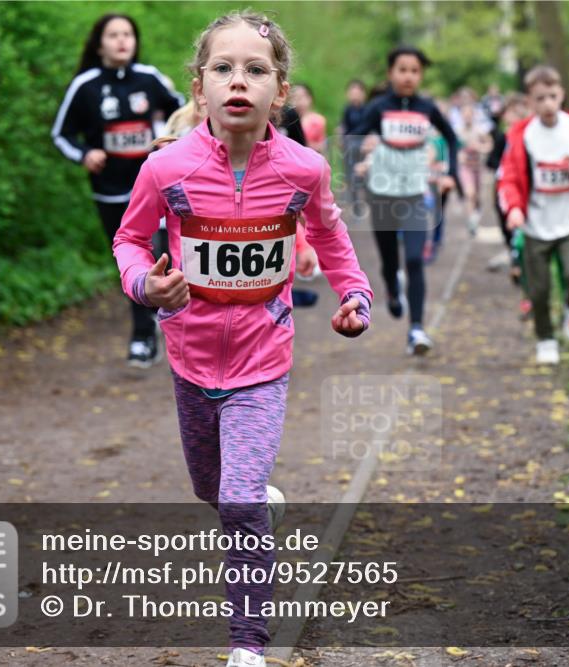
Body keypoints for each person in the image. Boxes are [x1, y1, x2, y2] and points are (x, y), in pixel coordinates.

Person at [111, 11, 372, 666]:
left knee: (237, 497)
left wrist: (355, 293)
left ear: (279, 92)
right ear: (199, 87)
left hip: (263, 359)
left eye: (256, 70)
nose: (239, 80)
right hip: (191, 357)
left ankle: (248, 643)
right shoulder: (165, 168)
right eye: (223, 68)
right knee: (213, 489)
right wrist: (146, 285)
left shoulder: (304, 169)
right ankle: (253, 501)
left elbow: (334, 234)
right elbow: (128, 240)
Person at [51, 13, 183, 368]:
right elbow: (60, 133)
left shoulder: (151, 79)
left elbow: (186, 115)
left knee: (158, 251)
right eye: (114, 35)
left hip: (157, 187)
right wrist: (84, 154)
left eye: (128, 34)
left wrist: (169, 140)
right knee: (132, 259)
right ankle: (146, 326)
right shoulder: (86, 85)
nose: (122, 41)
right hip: (110, 190)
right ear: (100, 44)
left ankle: (146, 333)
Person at [348, 46, 459, 355]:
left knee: (414, 259)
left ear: (420, 75)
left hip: (413, 194)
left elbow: (451, 137)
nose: (408, 76)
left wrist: (450, 172)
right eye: (402, 69)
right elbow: (353, 139)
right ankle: (393, 292)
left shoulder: (426, 107)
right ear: (390, 73)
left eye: (414, 70)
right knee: (389, 261)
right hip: (382, 194)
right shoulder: (379, 107)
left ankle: (417, 329)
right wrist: (360, 155)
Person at [497, 65, 569, 364]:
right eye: (540, 98)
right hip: (535, 223)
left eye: (552, 96)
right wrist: (515, 208)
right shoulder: (522, 135)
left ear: (562, 95)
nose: (547, 104)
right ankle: (546, 339)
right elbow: (508, 176)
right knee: (539, 290)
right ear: (530, 102)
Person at [455, 102, 493, 235]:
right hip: (465, 168)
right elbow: (453, 148)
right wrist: (459, 156)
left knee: (477, 196)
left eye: (469, 115)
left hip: (477, 167)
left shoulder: (479, 130)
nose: (467, 117)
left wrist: (480, 148)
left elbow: (489, 145)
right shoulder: (458, 132)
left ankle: (476, 214)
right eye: (464, 115)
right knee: (469, 194)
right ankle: (471, 221)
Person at [338, 79, 367, 218]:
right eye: (352, 92)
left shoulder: (367, 109)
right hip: (350, 147)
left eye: (357, 92)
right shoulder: (347, 109)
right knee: (351, 177)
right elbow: (344, 127)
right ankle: (356, 205)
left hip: (364, 147)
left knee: (364, 176)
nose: (354, 95)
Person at [291, 83, 327, 154]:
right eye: (294, 97)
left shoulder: (317, 120)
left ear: (310, 99)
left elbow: (322, 146)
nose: (298, 101)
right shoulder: (288, 120)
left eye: (302, 97)